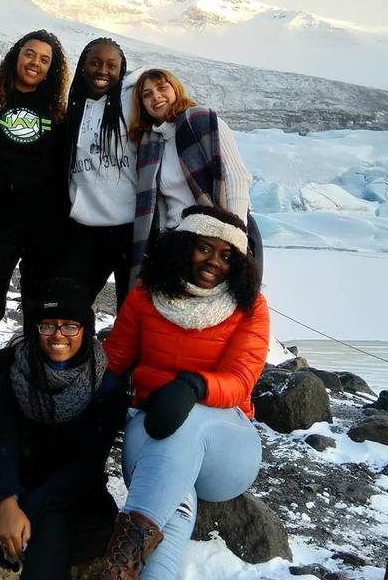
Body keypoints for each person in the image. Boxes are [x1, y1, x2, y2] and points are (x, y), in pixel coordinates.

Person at [96, 206, 269, 580]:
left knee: (187, 422)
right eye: (204, 248)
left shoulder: (249, 306)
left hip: (226, 445)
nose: (214, 263)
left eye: (227, 256)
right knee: (174, 504)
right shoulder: (146, 294)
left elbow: (241, 379)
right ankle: (127, 571)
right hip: (153, 430)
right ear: (183, 245)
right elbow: (114, 360)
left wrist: (193, 386)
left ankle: (116, 563)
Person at [0, 278, 125, 580]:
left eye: (70, 326)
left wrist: (25, 508)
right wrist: (5, 501)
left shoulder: (105, 384)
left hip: (71, 499)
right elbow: (4, 440)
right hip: (16, 487)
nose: (58, 335)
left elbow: (87, 465)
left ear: (85, 330)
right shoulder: (19, 371)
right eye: (48, 325)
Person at [0, 29, 70, 381]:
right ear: (17, 55)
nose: (35, 63)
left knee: (37, 308)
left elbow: (62, 169)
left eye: (45, 60)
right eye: (30, 54)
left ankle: (32, 387)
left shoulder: (57, 112)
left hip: (43, 226)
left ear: (51, 69)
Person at [127, 68, 261, 283]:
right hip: (175, 245)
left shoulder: (203, 121)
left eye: (162, 88)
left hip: (214, 239)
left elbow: (236, 177)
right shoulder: (150, 143)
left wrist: (235, 238)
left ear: (176, 89)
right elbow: (160, 205)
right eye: (147, 94)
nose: (156, 97)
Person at [60, 37, 136, 310]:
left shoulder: (130, 105)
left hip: (129, 229)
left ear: (121, 70)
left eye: (111, 65)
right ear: (83, 66)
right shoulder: (73, 109)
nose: (102, 70)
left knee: (129, 311)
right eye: (95, 62)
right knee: (71, 305)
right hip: (85, 230)